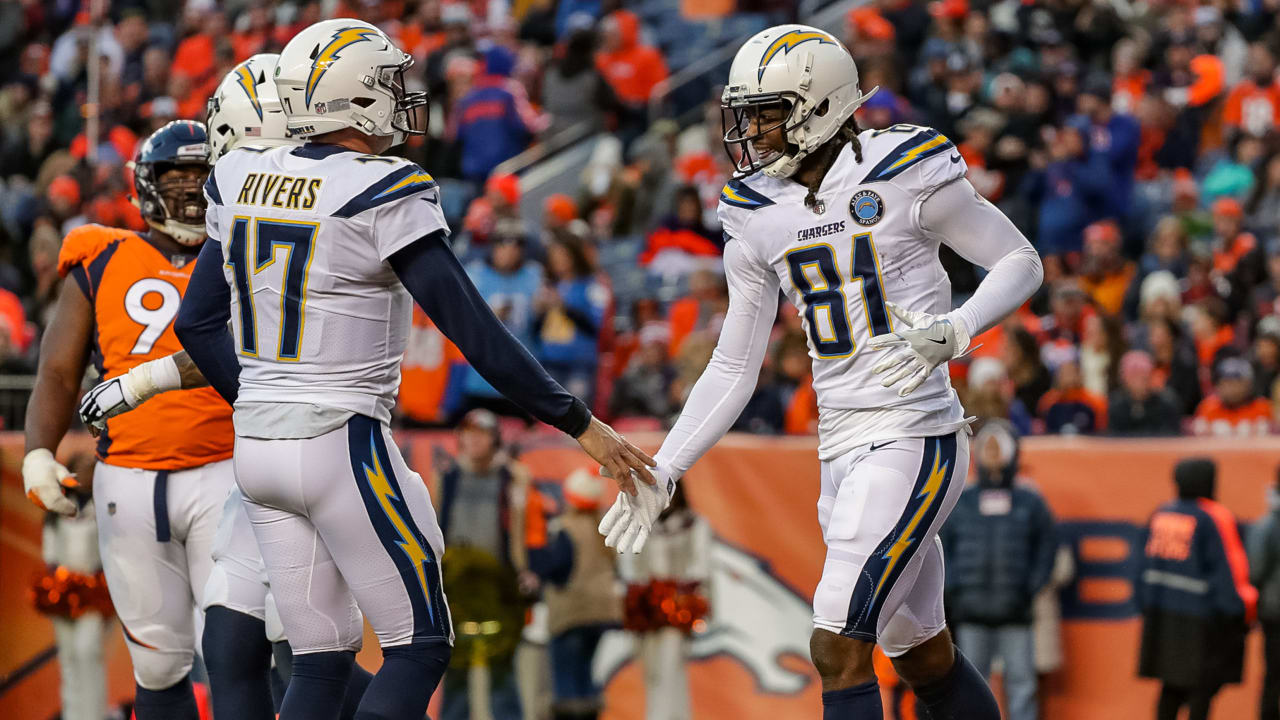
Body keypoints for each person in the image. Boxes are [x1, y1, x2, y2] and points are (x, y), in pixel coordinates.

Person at [170, 20, 653, 720]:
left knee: (320, 661)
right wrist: (578, 421)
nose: (403, 98)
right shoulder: (384, 188)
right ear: (352, 96)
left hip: (257, 446)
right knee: (420, 644)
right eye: (389, 84)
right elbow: (472, 330)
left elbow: (197, 321)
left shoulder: (240, 173)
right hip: (340, 439)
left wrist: (265, 402)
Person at [598, 24, 1044, 720]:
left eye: (767, 110)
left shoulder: (903, 170)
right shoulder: (755, 210)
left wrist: (958, 328)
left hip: (913, 436)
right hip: (837, 446)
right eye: (745, 112)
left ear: (821, 103)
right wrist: (667, 467)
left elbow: (1020, 260)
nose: (751, 129)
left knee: (835, 645)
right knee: (921, 654)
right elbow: (735, 363)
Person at [77, 54, 376, 720]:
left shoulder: (316, 205)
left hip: (310, 439)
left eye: (212, 161)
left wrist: (150, 378)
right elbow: (209, 324)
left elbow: (234, 333)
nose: (198, 184)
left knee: (306, 646)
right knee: (237, 641)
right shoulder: (287, 205)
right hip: (274, 445)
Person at [22, 120, 233, 720]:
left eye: (202, 174)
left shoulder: (245, 250)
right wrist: (40, 449)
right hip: (129, 480)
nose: (192, 189)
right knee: (159, 663)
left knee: (241, 645)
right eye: (178, 176)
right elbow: (59, 371)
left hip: (229, 468)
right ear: (146, 185)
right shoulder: (102, 256)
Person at [941, 420, 1057, 720]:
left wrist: (1030, 589)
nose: (991, 453)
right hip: (971, 613)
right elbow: (943, 549)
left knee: (1021, 686)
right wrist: (956, 591)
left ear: (1011, 452)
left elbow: (1047, 549)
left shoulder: (1030, 500)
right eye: (986, 446)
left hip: (1016, 614)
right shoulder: (962, 500)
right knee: (972, 687)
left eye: (998, 446)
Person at [436, 409, 541, 720]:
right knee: (455, 671)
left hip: (499, 589)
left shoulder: (513, 476)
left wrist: (525, 573)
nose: (473, 439)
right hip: (457, 589)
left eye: (481, 433)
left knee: (501, 668)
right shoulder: (447, 476)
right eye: (467, 433)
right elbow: (435, 528)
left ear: (495, 439)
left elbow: (524, 530)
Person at [1137, 458, 1256, 720]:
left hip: (1161, 615)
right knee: (1202, 687)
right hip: (1201, 619)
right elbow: (1229, 571)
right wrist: (1240, 613)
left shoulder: (1162, 513)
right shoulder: (1213, 517)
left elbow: (1141, 566)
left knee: (1171, 685)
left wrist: (1144, 604)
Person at [535, 470, 623, 720]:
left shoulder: (566, 528)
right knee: (585, 674)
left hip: (571, 612)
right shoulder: (602, 527)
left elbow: (558, 569)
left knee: (566, 681)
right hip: (601, 613)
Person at [1248, 465, 1280, 720]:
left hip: (1274, 612)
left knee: (1273, 678)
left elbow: (1255, 571)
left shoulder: (1267, 525)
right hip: (1275, 613)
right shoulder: (1268, 526)